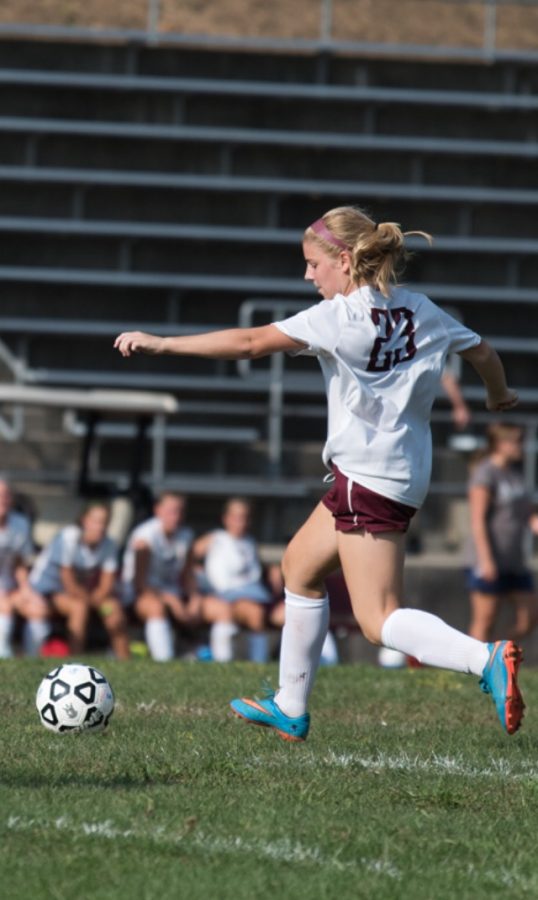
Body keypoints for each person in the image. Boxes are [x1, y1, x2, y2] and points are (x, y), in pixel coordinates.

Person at [115, 205, 523, 741]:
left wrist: (163, 343)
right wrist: (498, 396)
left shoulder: (340, 317)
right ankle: (290, 703)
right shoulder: (422, 309)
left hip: (368, 479)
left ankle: (484, 657)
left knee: (378, 620)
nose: (308, 276)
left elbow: (249, 343)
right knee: (300, 567)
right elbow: (484, 351)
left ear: (346, 260)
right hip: (398, 476)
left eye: (313, 264)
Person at [30, 502, 130, 659]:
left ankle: (126, 663)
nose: (100, 527)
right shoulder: (68, 537)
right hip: (47, 591)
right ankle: (74, 663)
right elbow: (68, 582)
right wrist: (91, 600)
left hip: (84, 595)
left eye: (104, 522)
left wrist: (99, 601)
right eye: (96, 521)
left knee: (113, 610)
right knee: (79, 607)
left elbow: (106, 586)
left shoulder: (109, 545)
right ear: (85, 521)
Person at [467, 422, 538, 642]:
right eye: (517, 441)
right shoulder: (485, 473)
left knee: (529, 617)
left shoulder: (515, 475)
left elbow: (529, 516)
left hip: (514, 560)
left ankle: (499, 656)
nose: (522, 446)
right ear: (500, 443)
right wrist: (486, 561)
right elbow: (477, 520)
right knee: (486, 619)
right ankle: (471, 667)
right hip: (488, 559)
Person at [121, 491, 201, 660]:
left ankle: (207, 655)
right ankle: (164, 661)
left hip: (173, 593)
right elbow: (139, 584)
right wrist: (171, 600)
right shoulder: (144, 537)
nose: (176, 516)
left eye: (180, 511)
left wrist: (195, 599)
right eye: (171, 511)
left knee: (215, 608)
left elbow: (188, 575)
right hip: (139, 595)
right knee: (156, 607)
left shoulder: (186, 536)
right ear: (158, 510)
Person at [193, 498, 271, 663]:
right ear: (226, 519)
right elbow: (188, 557)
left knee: (256, 613)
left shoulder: (250, 543)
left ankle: (259, 664)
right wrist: (197, 577)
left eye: (244, 517)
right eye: (236, 517)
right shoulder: (215, 538)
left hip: (248, 595)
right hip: (218, 595)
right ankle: (222, 663)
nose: (240, 522)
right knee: (226, 612)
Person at [0, 478, 50, 657]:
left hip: (9, 588)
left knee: (38, 607)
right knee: (3, 606)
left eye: (6, 495)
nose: (3, 499)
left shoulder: (20, 523)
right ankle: (3, 657)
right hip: (2, 595)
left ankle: (33, 661)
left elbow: (19, 563)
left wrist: (26, 590)